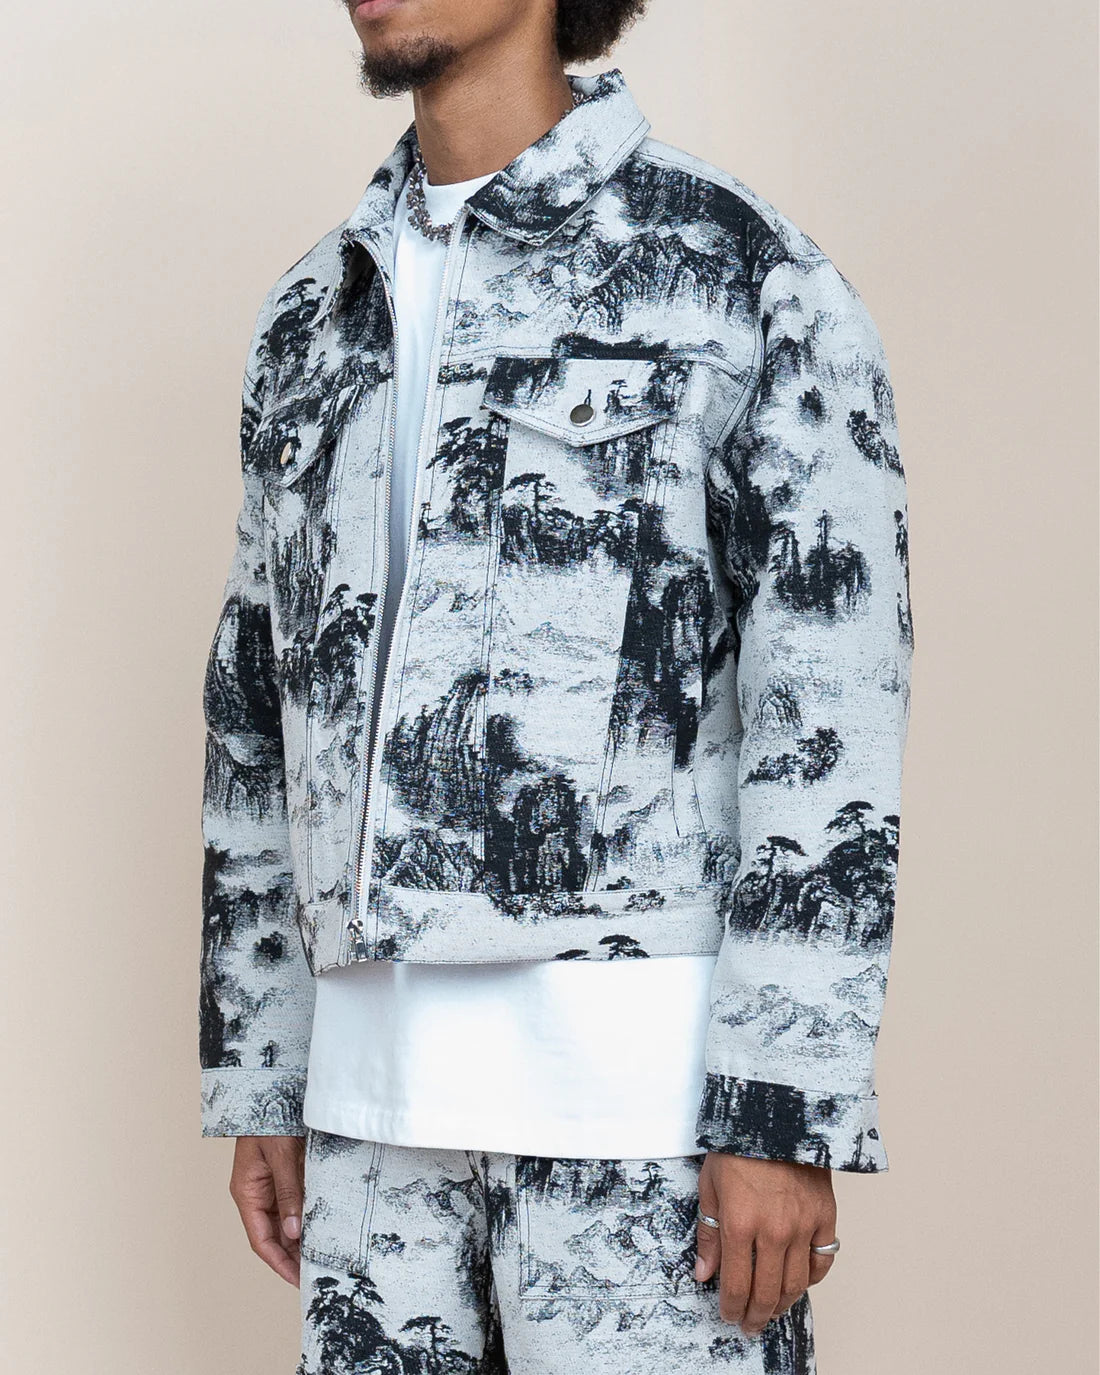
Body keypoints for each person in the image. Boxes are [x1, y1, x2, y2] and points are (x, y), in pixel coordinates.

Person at [198, 2, 914, 1370]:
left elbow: (831, 705)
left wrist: (783, 1104)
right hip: (370, 1136)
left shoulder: (734, 272)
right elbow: (253, 717)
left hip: (643, 1130)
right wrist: (263, 1073)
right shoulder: (309, 319)